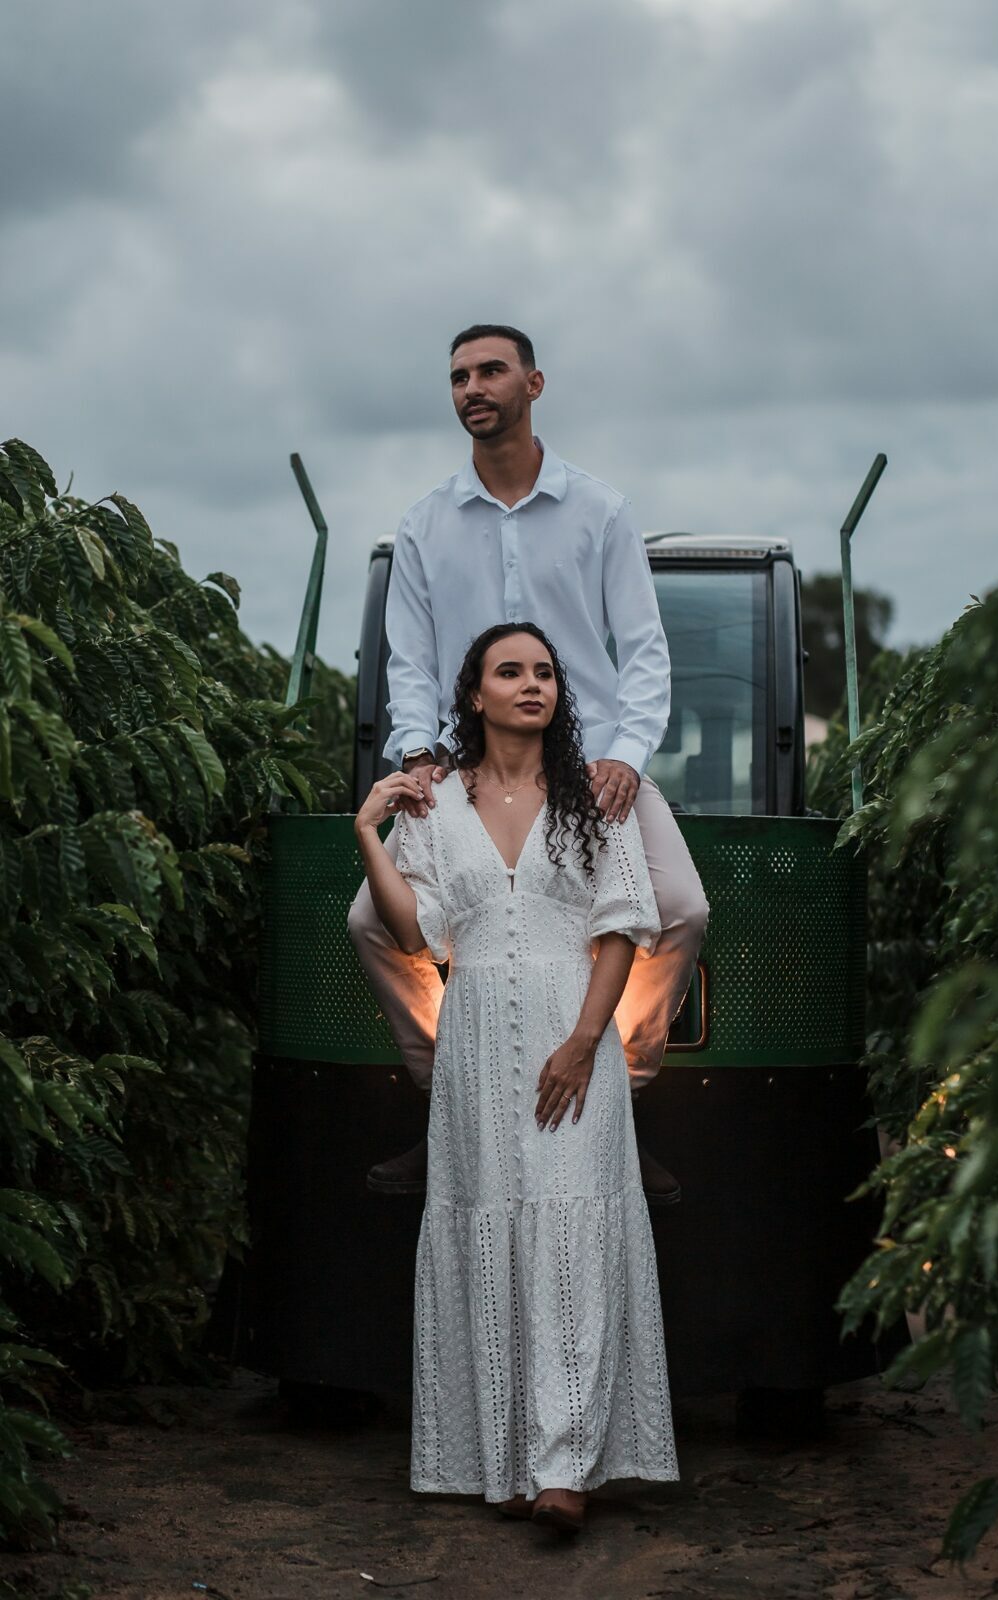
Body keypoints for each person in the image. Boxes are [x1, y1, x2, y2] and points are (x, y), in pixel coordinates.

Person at [348, 323, 708, 1203]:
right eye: (458, 377)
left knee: (681, 909)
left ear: (533, 384)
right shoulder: (425, 523)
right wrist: (420, 755)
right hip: (465, 766)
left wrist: (625, 757)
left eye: (490, 371)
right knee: (369, 923)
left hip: (591, 766)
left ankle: (616, 1097)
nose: (472, 388)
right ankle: (448, 1100)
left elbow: (644, 652)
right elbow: (409, 661)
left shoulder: (600, 511)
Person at [354, 623, 678, 1528]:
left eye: (544, 672)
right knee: (489, 1222)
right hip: (473, 1047)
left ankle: (564, 1467)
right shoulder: (433, 806)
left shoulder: (593, 799)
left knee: (572, 1231)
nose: (531, 684)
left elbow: (621, 927)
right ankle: (505, 1459)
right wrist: (368, 831)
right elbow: (413, 932)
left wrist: (585, 1042)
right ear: (474, 695)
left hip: (570, 1034)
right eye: (510, 671)